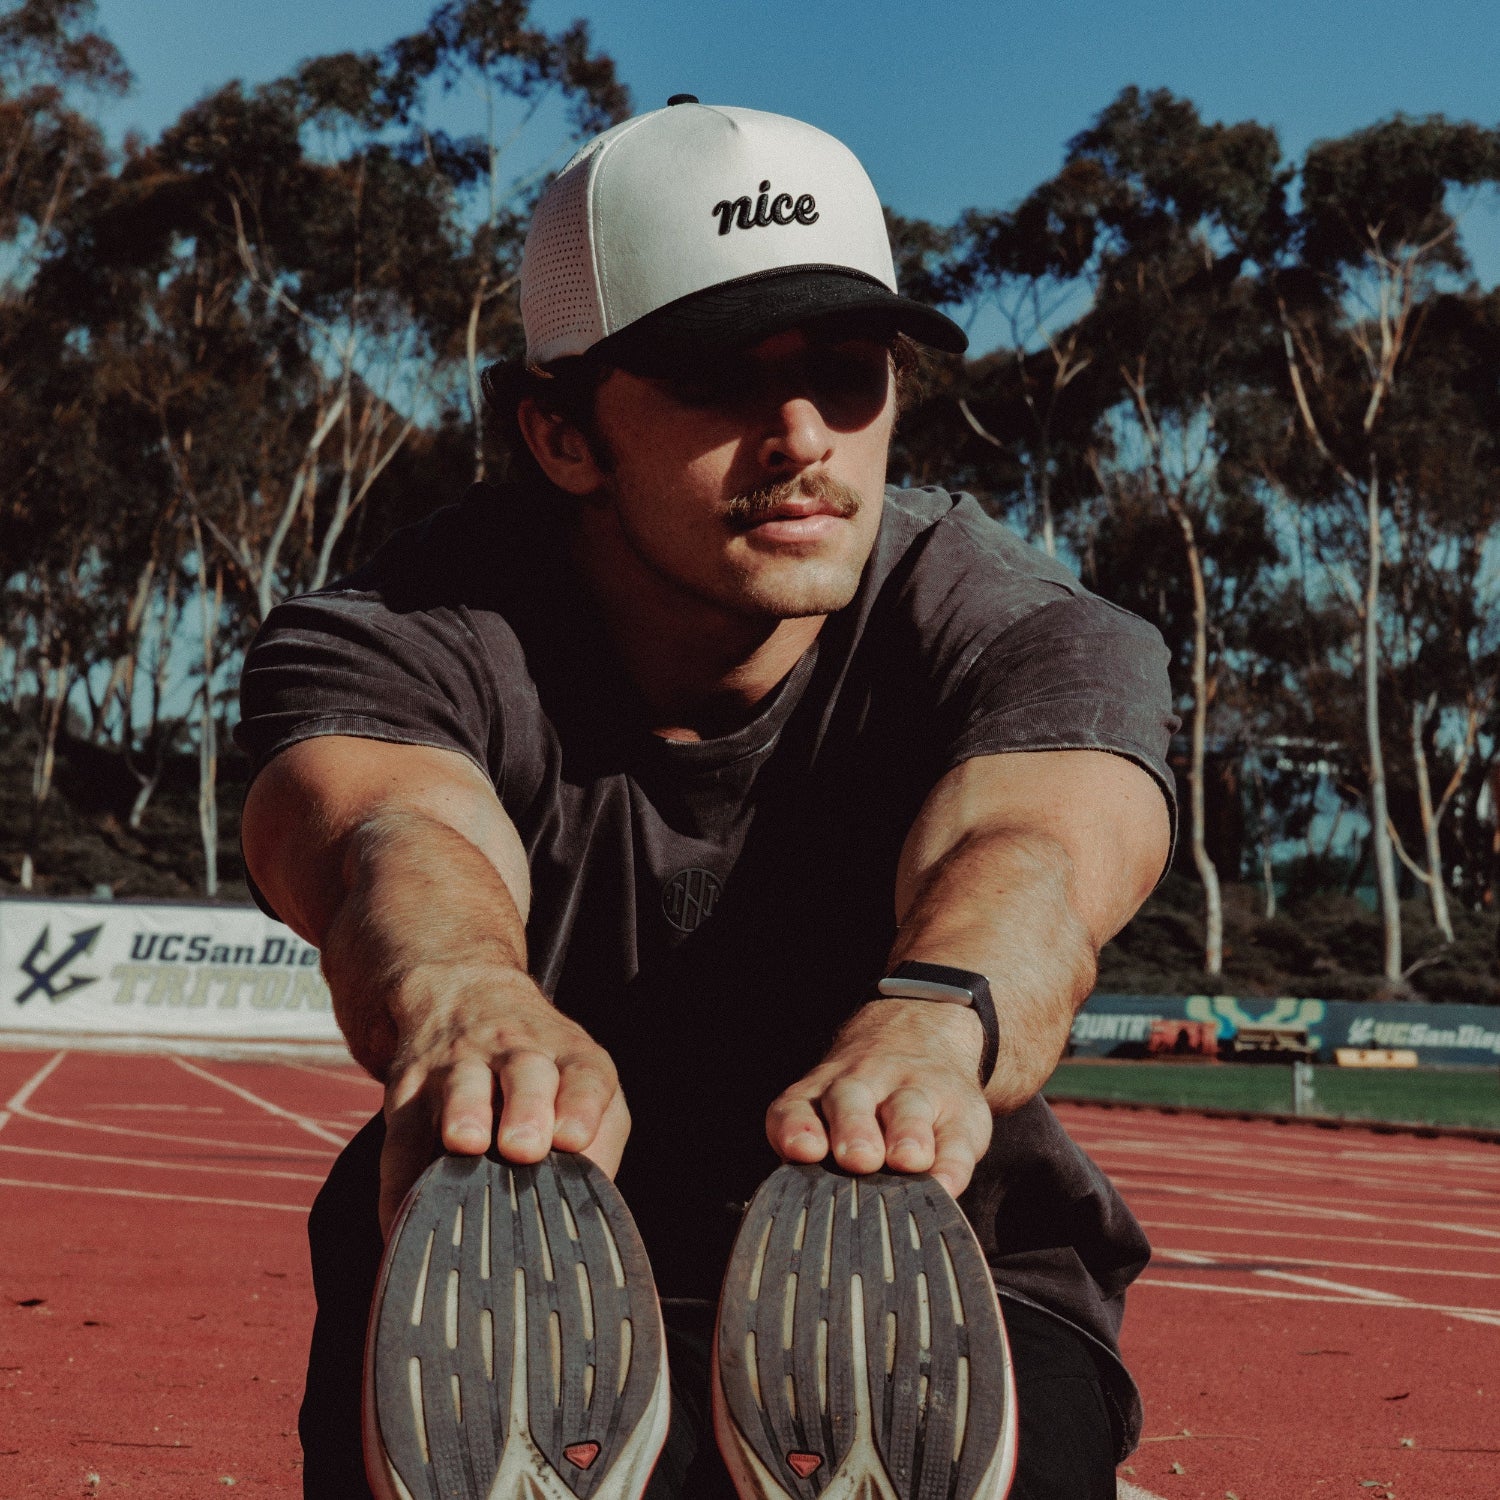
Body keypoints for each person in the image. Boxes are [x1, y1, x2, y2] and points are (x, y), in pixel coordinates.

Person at [237, 98, 1175, 1500]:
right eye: (719, 379)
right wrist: (462, 994)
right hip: (506, 1283)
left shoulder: (1024, 627)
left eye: (847, 375)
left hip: (925, 1279)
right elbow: (394, 831)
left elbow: (1031, 845)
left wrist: (935, 1019)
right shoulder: (394, 635)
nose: (803, 436)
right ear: (561, 433)